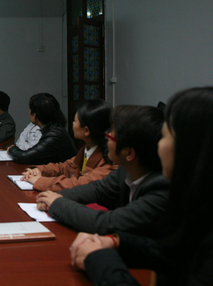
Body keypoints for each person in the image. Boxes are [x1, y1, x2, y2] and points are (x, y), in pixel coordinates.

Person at [70, 87, 213, 286]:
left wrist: (98, 257)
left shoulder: (165, 190)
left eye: (163, 136)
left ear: (193, 147)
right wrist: (116, 242)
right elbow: (172, 252)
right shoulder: (198, 203)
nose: (157, 145)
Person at [36, 105, 169, 238]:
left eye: (112, 134)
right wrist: (55, 197)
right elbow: (97, 189)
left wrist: (58, 204)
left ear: (129, 153)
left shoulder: (160, 189)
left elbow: (105, 222)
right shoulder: (125, 170)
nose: (107, 136)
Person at [21, 99, 117, 191]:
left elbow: (80, 186)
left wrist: (40, 181)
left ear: (86, 130)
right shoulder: (87, 148)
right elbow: (65, 167)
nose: (72, 123)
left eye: (75, 121)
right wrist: (38, 170)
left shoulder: (109, 159)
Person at [7, 93, 76, 164]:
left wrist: (12, 149)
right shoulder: (54, 129)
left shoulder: (54, 135)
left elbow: (25, 157)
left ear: (34, 115)